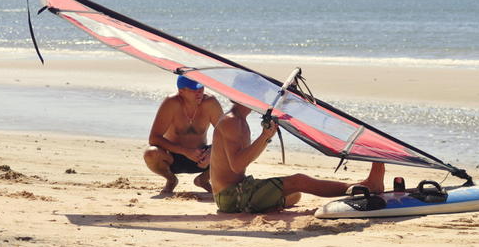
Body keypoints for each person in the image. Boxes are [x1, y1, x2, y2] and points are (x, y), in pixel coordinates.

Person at [209, 101, 385, 213]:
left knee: (295, 194)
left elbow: (242, 160)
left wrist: (267, 137)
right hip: (231, 196)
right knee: (299, 181)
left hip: (238, 190)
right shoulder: (232, 122)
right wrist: (263, 137)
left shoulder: (239, 120)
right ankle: (362, 187)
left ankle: (268, 205)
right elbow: (237, 165)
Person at [144, 75, 223, 195]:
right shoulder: (172, 103)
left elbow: (226, 134)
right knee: (150, 153)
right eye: (193, 89)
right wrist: (185, 151)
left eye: (201, 87)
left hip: (201, 157)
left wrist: (211, 150)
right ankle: (171, 180)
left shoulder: (210, 102)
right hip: (173, 157)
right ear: (181, 91)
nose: (199, 92)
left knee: (231, 148)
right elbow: (154, 138)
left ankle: (203, 179)